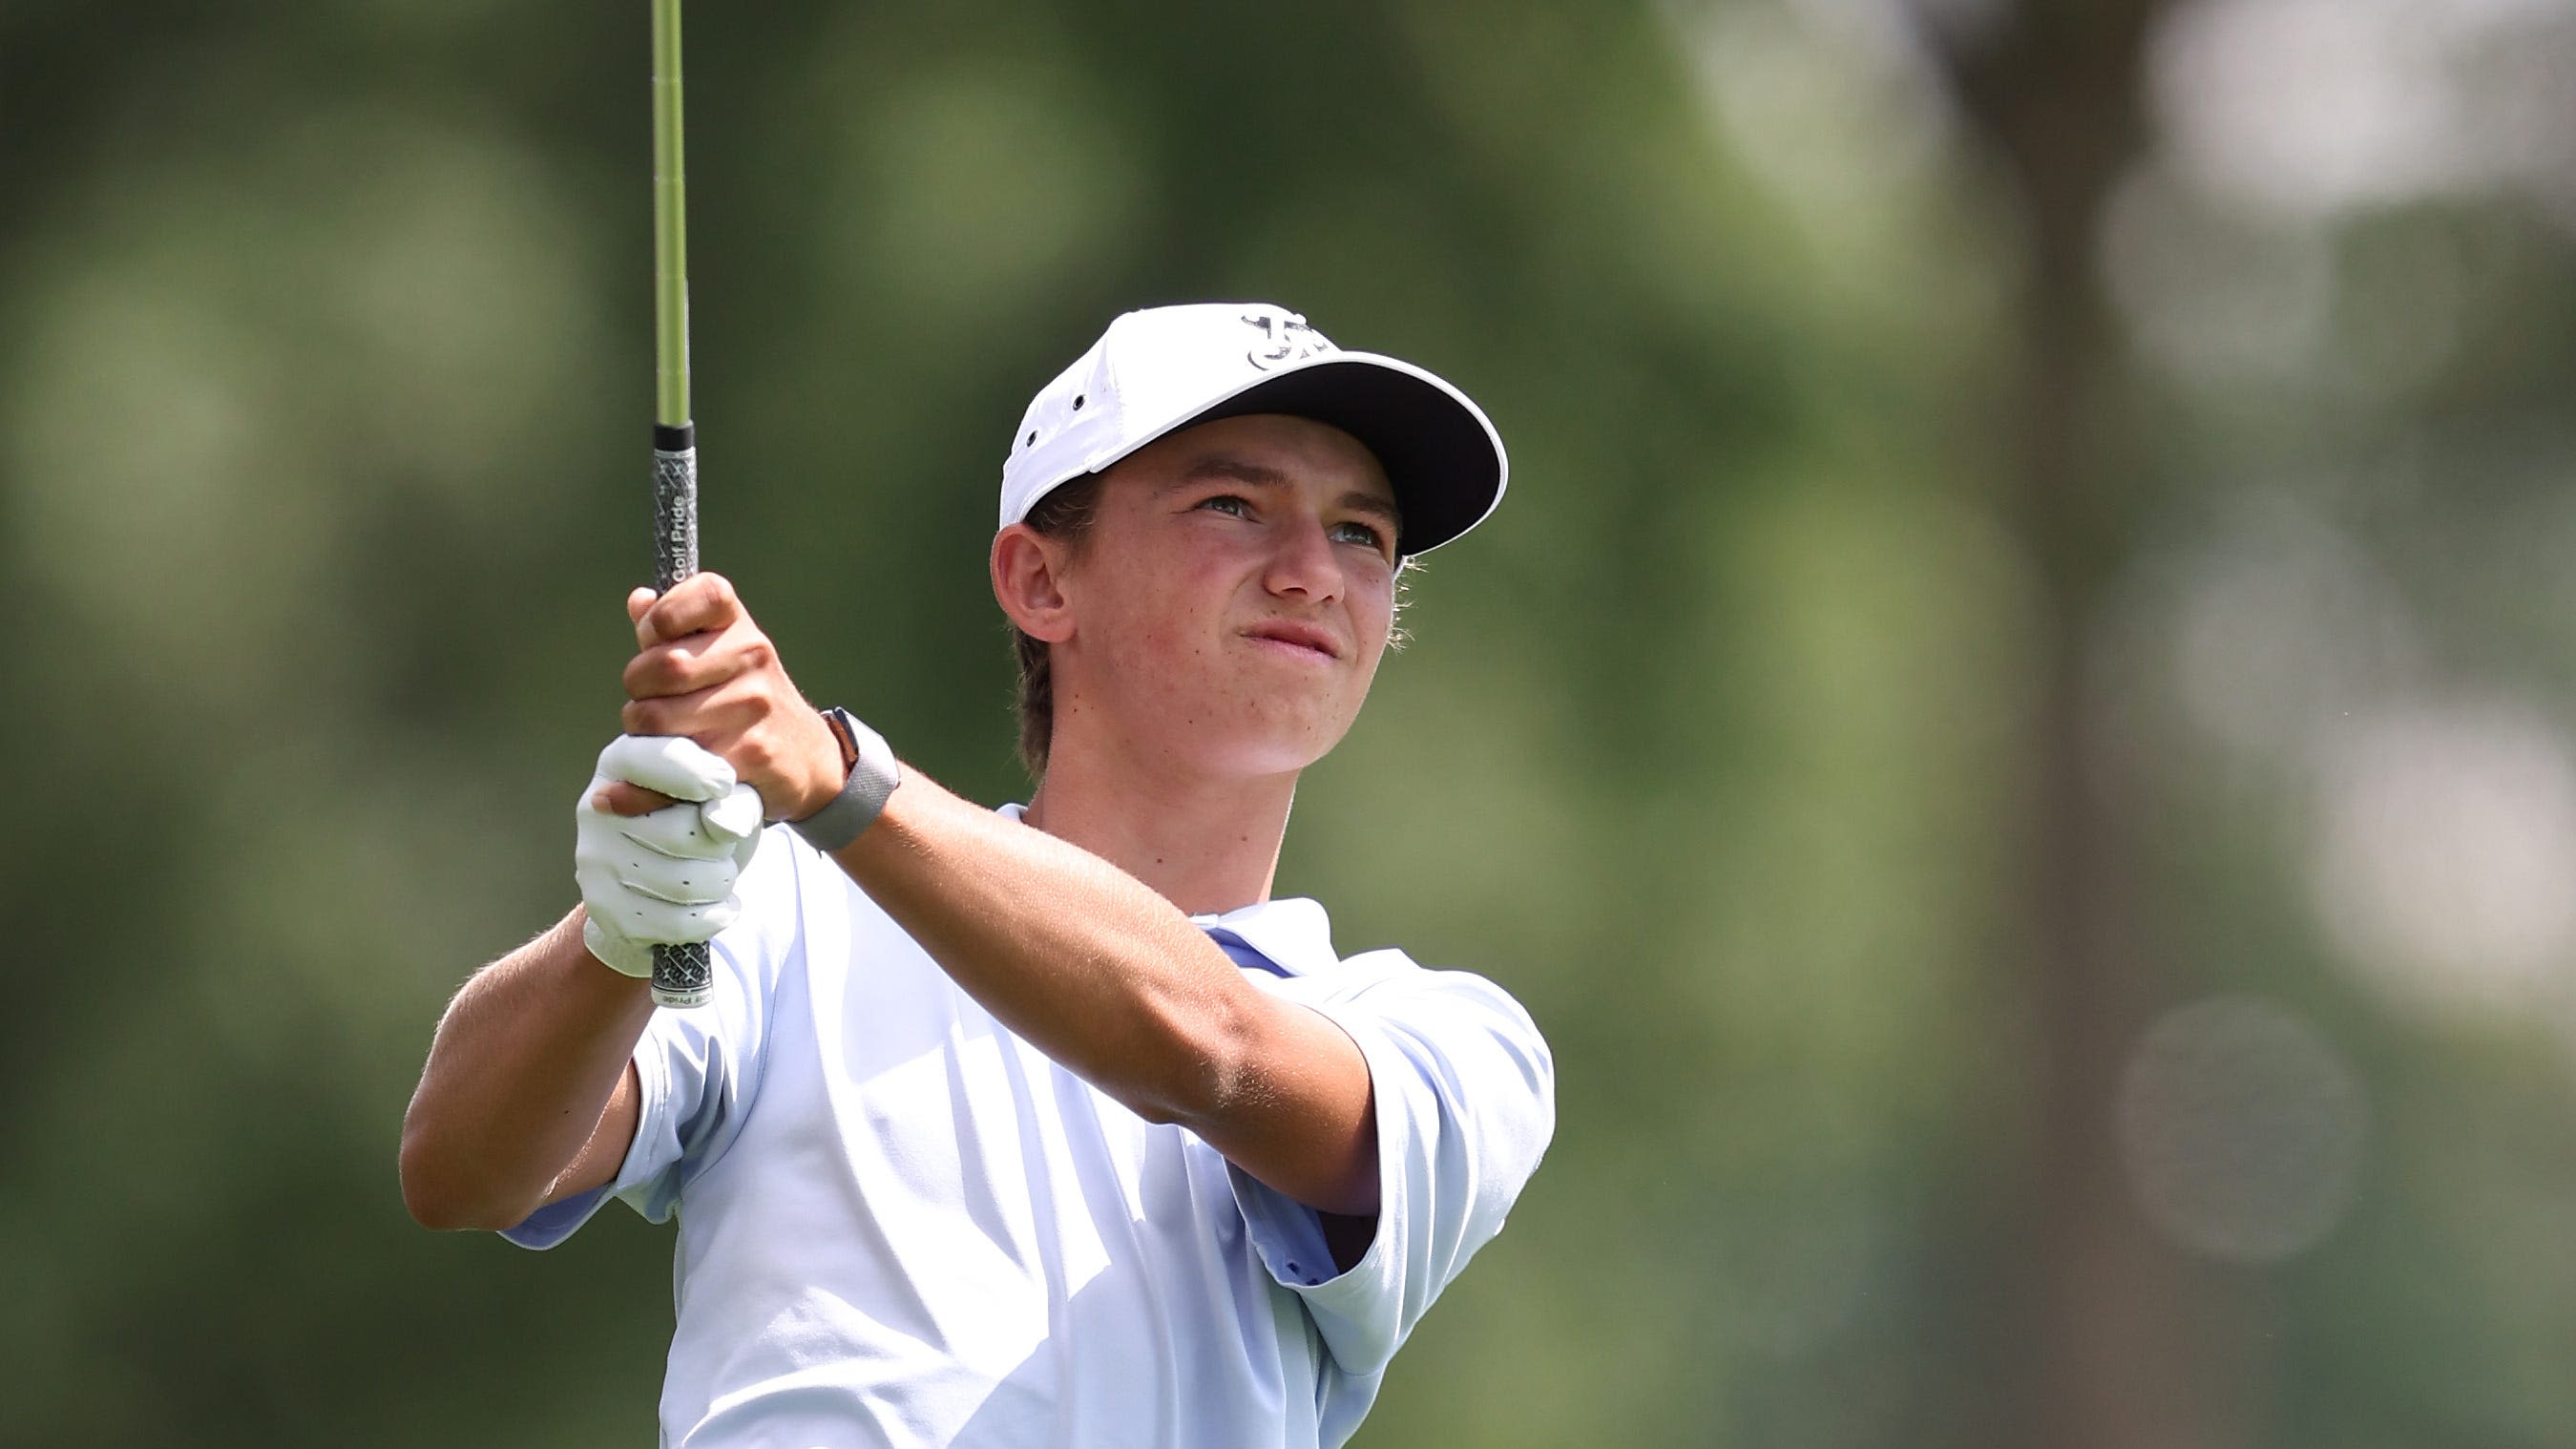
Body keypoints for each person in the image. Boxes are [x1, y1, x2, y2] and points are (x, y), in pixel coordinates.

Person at [398, 302, 1556, 1449]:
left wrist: (843, 783)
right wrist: (621, 936)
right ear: (1041, 581)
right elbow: (463, 1169)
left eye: (1361, 533)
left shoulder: (1449, 1042)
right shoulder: (791, 906)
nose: (1312, 571)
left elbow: (1212, 1048)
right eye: (1232, 505)